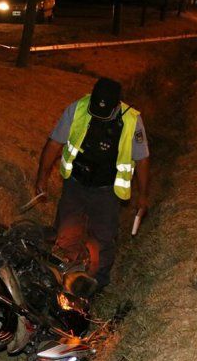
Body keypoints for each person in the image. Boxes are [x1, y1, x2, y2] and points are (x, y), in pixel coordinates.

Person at [35, 77, 150, 289]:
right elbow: (54, 143)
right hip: (76, 183)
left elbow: (142, 159)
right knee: (64, 234)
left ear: (117, 105)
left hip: (107, 190)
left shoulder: (132, 121)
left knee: (103, 240)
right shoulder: (77, 109)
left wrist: (143, 195)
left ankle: (96, 286)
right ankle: (62, 280)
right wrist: (41, 176)